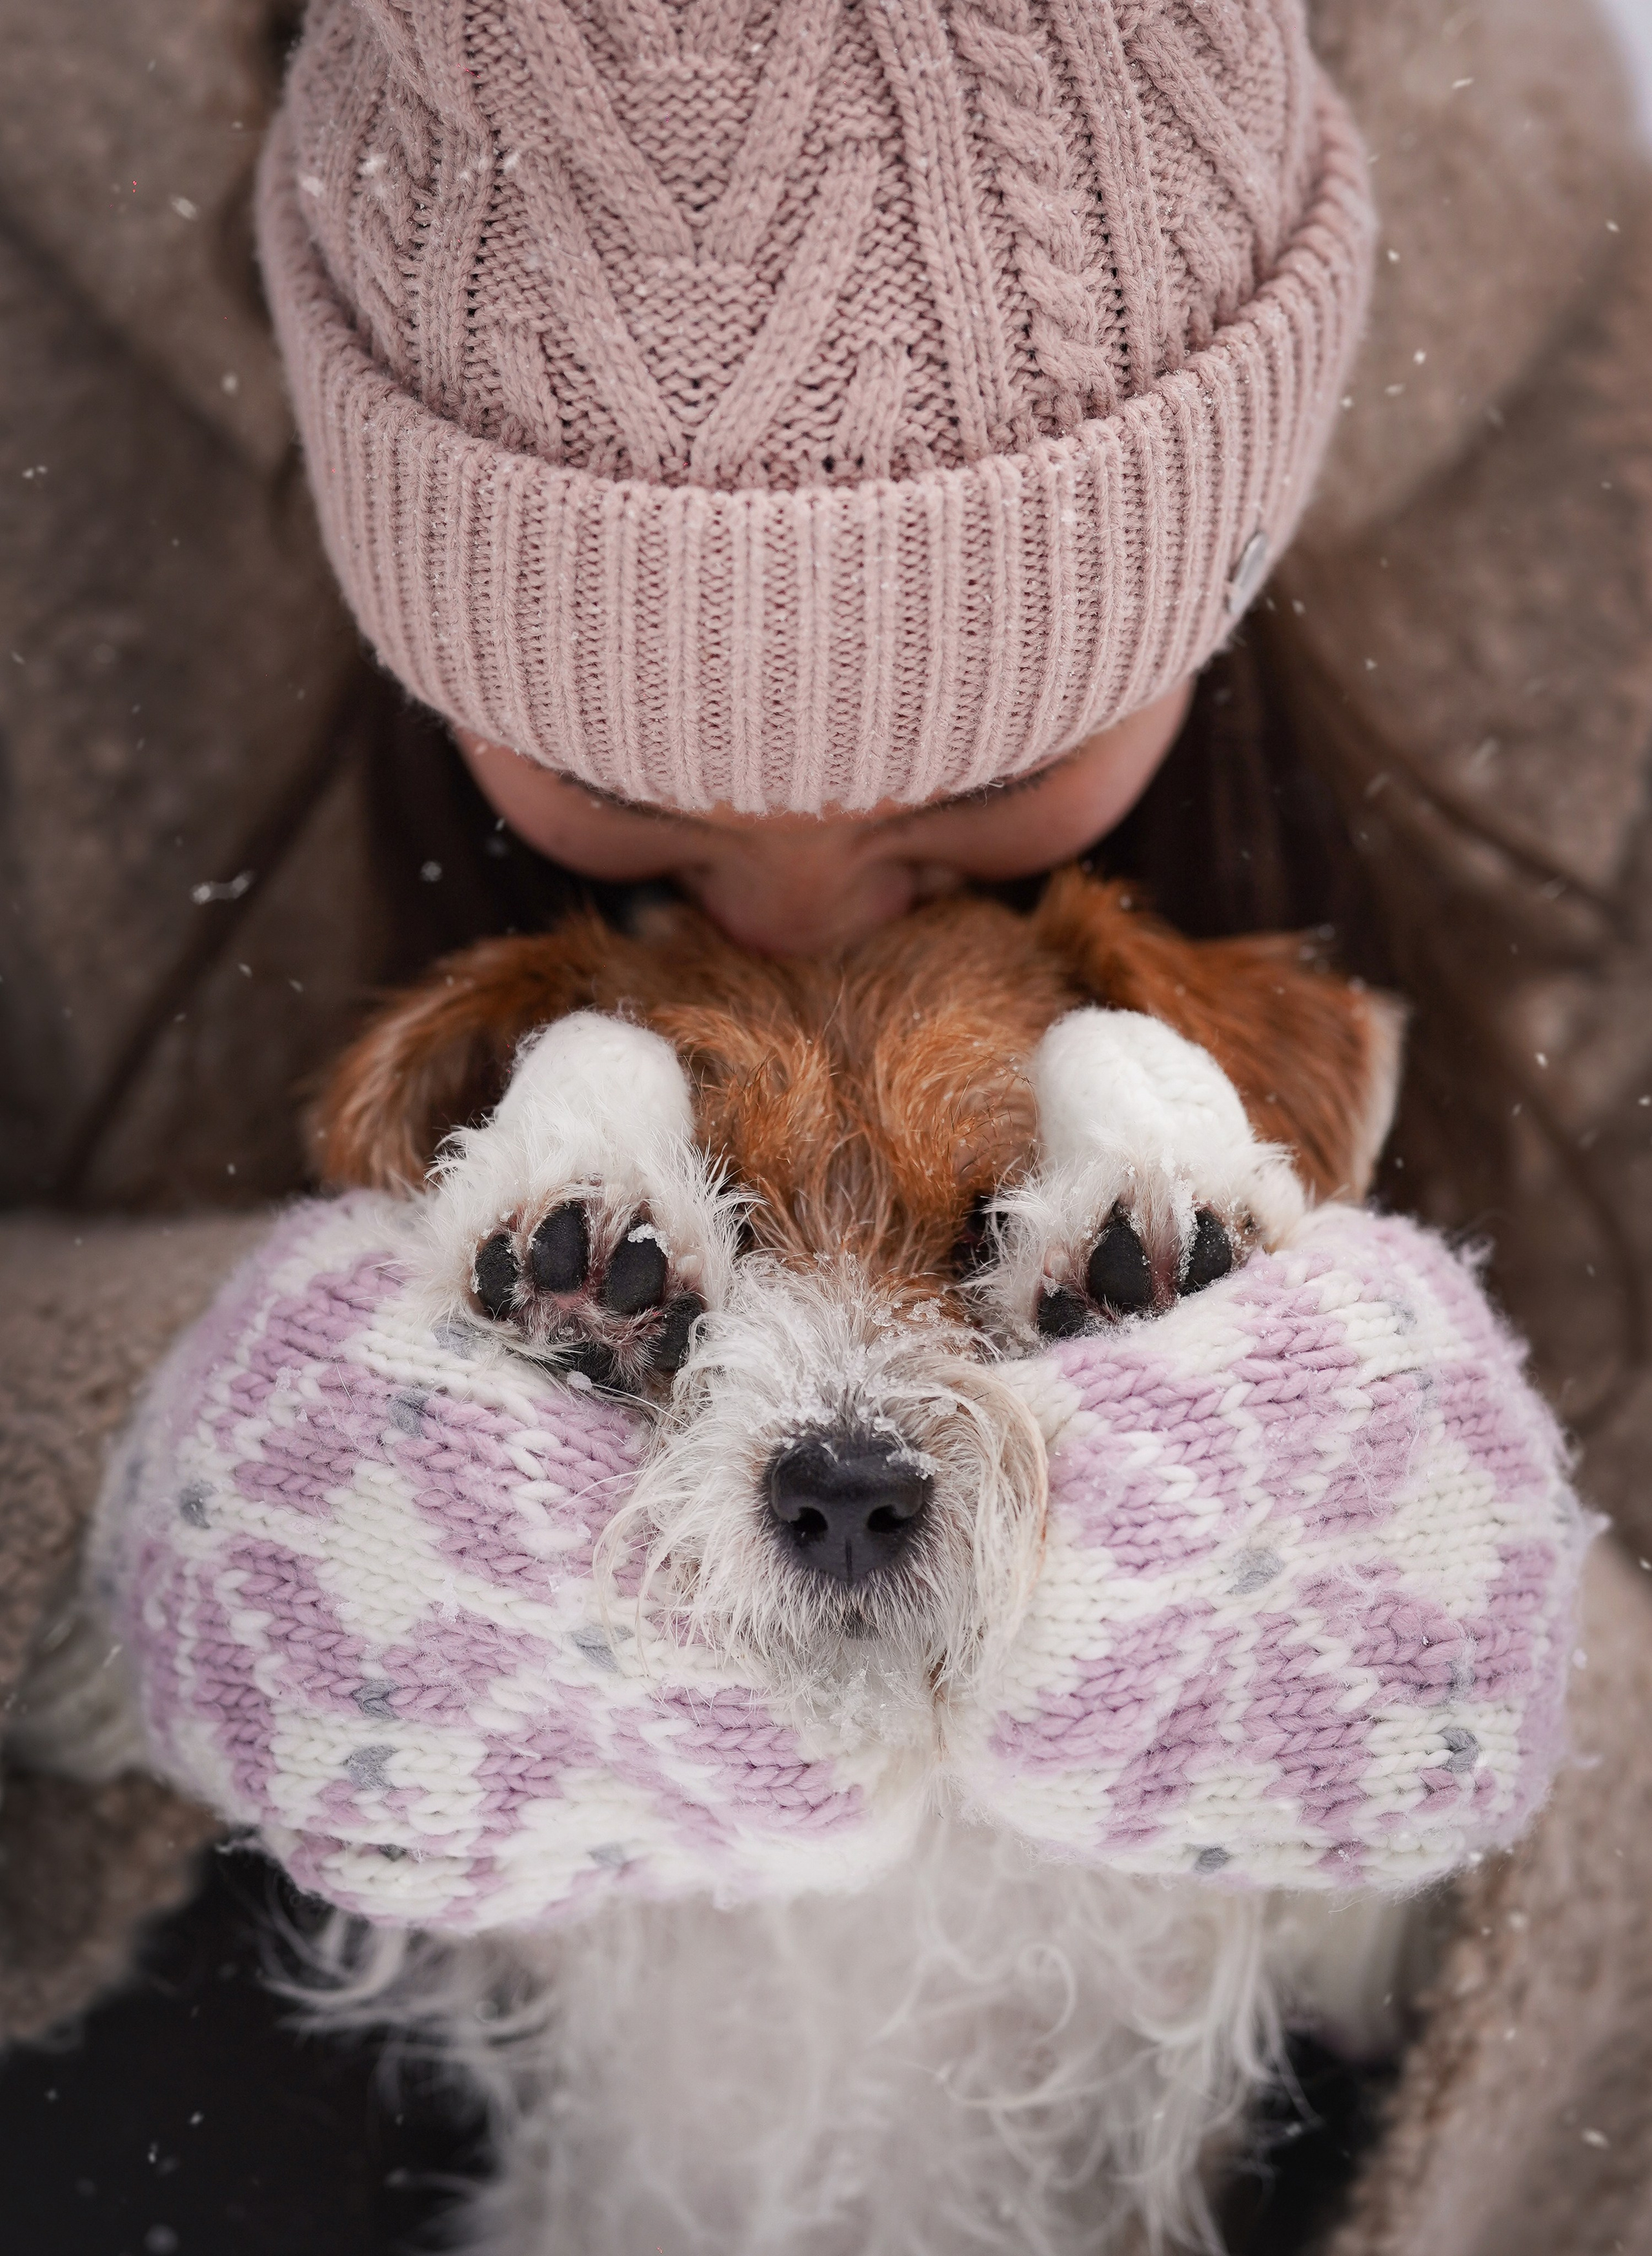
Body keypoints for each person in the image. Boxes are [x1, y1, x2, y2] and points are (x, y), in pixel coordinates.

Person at [5, 2, 1652, 2248]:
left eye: (978, 777)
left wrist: (1484, 1641)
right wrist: (156, 1446)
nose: (789, 890)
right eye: (637, 787)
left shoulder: (1586, 465)